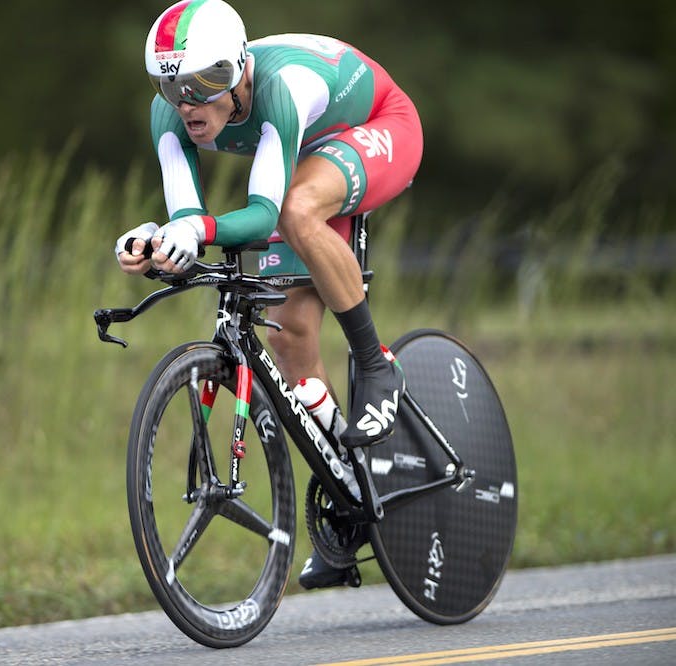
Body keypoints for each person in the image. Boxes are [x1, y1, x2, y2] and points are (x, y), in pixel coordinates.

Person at [114, 0, 423, 589]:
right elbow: (189, 219)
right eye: (169, 83)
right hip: (310, 154)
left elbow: (259, 217)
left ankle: (374, 363)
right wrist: (158, 242)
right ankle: (350, 496)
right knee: (292, 334)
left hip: (379, 126)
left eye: (204, 83)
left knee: (296, 208)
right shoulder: (170, 115)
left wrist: (194, 230)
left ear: (237, 69)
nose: (186, 102)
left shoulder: (281, 87)